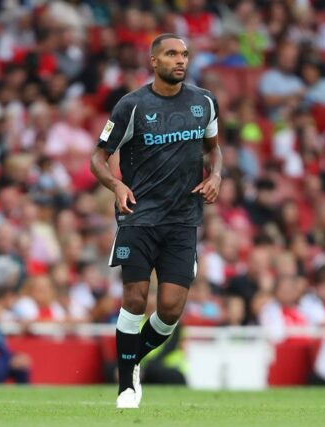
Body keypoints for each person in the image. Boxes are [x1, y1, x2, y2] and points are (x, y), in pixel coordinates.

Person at [90, 33, 222, 409]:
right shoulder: (132, 106)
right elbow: (98, 158)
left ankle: (133, 360)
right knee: (134, 299)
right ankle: (125, 386)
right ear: (154, 61)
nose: (180, 60)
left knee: (169, 310)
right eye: (171, 54)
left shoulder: (204, 102)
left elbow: (214, 151)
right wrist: (115, 185)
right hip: (138, 217)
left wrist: (216, 176)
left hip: (183, 221)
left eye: (184, 54)